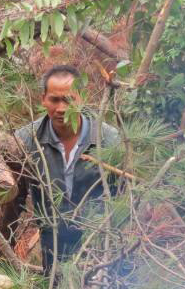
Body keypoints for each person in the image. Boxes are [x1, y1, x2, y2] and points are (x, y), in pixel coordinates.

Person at [15, 65, 121, 276]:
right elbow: (13, 198)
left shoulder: (108, 139)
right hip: (51, 243)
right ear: (43, 98)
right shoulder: (27, 139)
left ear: (81, 98)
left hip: (99, 243)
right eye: (54, 100)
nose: (61, 108)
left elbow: (122, 198)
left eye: (69, 100)